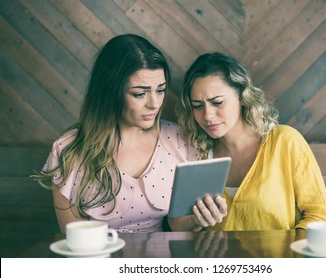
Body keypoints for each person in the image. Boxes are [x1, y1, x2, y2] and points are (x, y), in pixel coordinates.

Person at [31, 34, 227, 234]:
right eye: (139, 94)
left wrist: (198, 218)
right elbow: (73, 236)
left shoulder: (180, 140)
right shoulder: (69, 150)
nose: (155, 104)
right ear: (111, 92)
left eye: (160, 90)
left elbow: (177, 224)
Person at [177, 52, 326, 231]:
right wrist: (197, 222)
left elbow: (320, 215)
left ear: (243, 97)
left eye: (217, 102)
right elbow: (178, 222)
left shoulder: (285, 141)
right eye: (197, 106)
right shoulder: (196, 154)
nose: (207, 115)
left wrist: (290, 254)